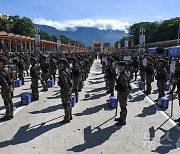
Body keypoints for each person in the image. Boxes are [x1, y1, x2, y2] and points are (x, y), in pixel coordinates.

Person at [115, 61, 131, 126]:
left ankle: (123, 120)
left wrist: (124, 94)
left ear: (123, 67)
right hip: (121, 92)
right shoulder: (122, 74)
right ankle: (121, 117)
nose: (118, 67)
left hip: (123, 93)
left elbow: (126, 87)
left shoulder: (123, 76)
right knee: (121, 106)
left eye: (120, 66)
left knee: (123, 106)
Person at [58, 58, 73, 123]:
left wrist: (67, 88)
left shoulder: (63, 72)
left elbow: (65, 82)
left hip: (65, 89)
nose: (59, 65)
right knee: (68, 102)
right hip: (68, 89)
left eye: (60, 64)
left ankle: (67, 118)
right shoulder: (67, 70)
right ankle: (70, 115)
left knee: (65, 104)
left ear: (63, 64)